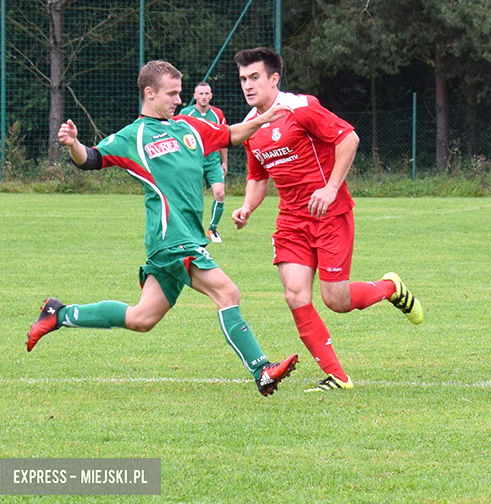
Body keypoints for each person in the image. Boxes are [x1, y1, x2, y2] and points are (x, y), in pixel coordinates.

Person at [27, 60, 298, 397]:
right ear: (149, 92)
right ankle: (262, 370)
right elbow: (92, 159)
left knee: (142, 318)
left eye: (179, 93)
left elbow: (231, 135)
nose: (177, 99)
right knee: (227, 293)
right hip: (172, 239)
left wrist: (263, 119)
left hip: (181, 240)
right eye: (171, 93)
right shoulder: (134, 136)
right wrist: (73, 144)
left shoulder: (189, 127)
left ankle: (59, 313)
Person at [230, 47, 423, 392]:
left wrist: (331, 188)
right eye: (243, 78)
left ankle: (390, 288)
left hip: (329, 215)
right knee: (295, 296)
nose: (248, 85)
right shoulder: (250, 127)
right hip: (291, 221)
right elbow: (259, 176)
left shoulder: (301, 109)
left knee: (336, 300)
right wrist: (247, 207)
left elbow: (349, 138)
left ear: (274, 79)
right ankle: (338, 376)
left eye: (255, 77)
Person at [179, 82, 228, 243]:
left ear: (211, 96)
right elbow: (178, 138)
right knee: (192, 197)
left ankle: (212, 230)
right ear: (195, 96)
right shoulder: (186, 113)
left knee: (220, 193)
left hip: (213, 161)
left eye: (207, 93)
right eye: (200, 94)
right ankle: (189, 230)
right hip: (193, 161)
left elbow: (224, 138)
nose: (204, 97)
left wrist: (224, 162)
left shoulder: (217, 114)